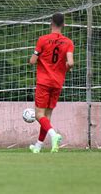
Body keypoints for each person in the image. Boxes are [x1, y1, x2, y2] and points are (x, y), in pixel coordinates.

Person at [29, 13, 74, 153]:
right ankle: (38, 146)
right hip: (57, 83)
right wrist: (65, 67)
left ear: (51, 23)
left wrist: (37, 57)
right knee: (47, 116)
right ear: (64, 25)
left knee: (39, 115)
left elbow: (32, 61)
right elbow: (71, 62)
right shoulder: (68, 42)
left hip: (44, 82)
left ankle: (54, 135)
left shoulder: (43, 40)